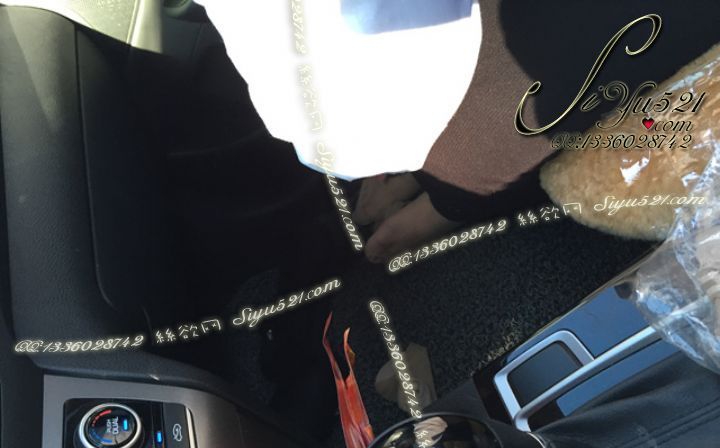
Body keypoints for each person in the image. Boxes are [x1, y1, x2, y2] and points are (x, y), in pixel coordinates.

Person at [197, 0, 720, 262]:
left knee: (455, 174)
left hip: (335, 109)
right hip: (453, 68)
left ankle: (408, 197)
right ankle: (417, 206)